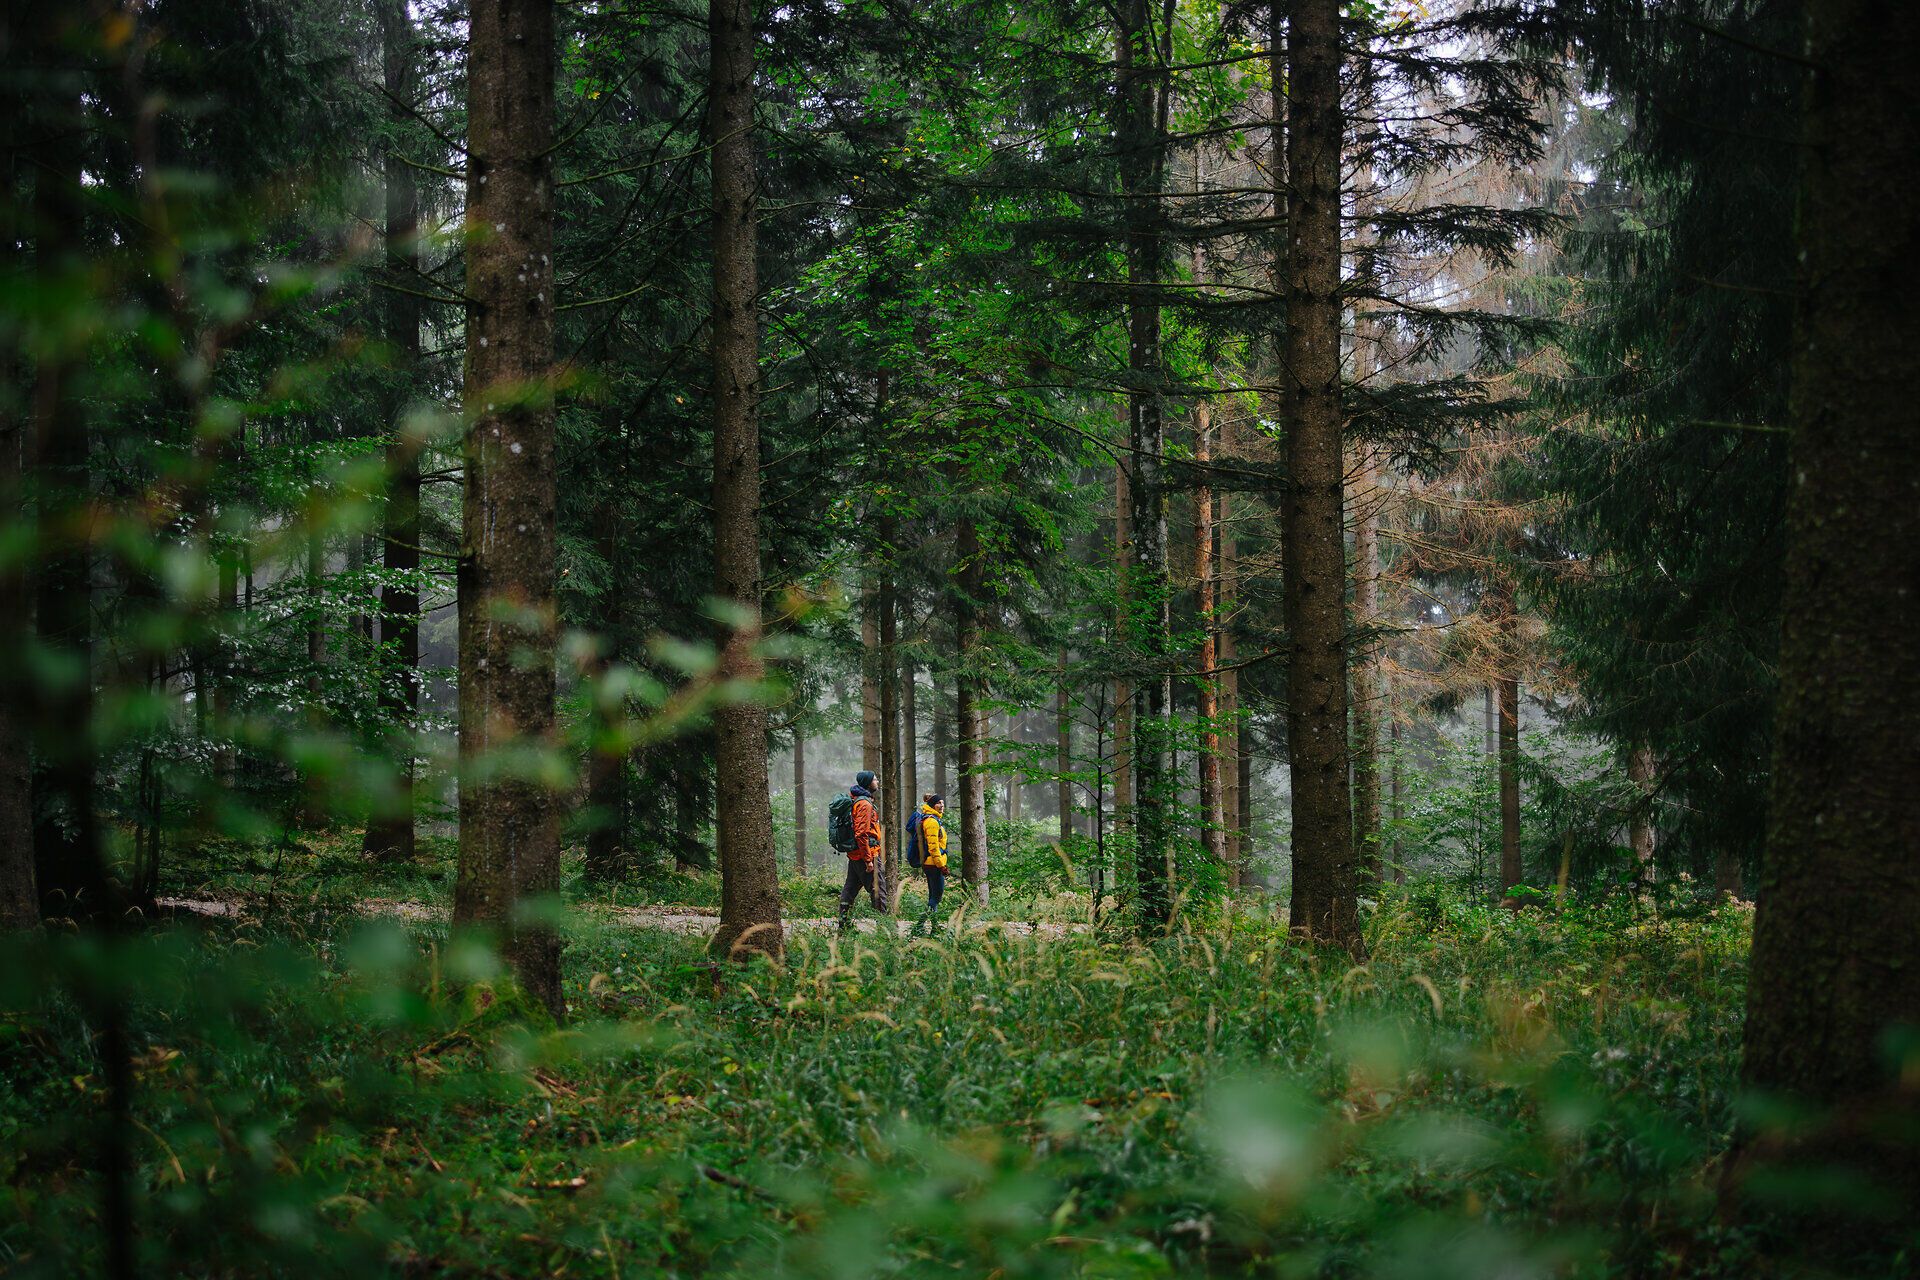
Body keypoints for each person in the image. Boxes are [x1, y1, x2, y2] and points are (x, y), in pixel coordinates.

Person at [838, 769, 883, 929]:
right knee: (878, 892)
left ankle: (843, 927)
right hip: (866, 855)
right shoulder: (864, 804)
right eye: (875, 780)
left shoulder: (858, 800)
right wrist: (868, 860)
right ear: (868, 783)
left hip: (856, 855)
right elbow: (861, 833)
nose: (877, 782)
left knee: (849, 890)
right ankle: (885, 931)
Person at [911, 793, 949, 935]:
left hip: (931, 864)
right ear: (933, 805)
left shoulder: (932, 819)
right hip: (934, 864)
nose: (942, 806)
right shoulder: (932, 822)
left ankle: (934, 927)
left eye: (943, 803)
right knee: (936, 897)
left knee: (933, 897)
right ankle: (919, 926)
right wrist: (941, 865)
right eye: (939, 803)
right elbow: (933, 847)